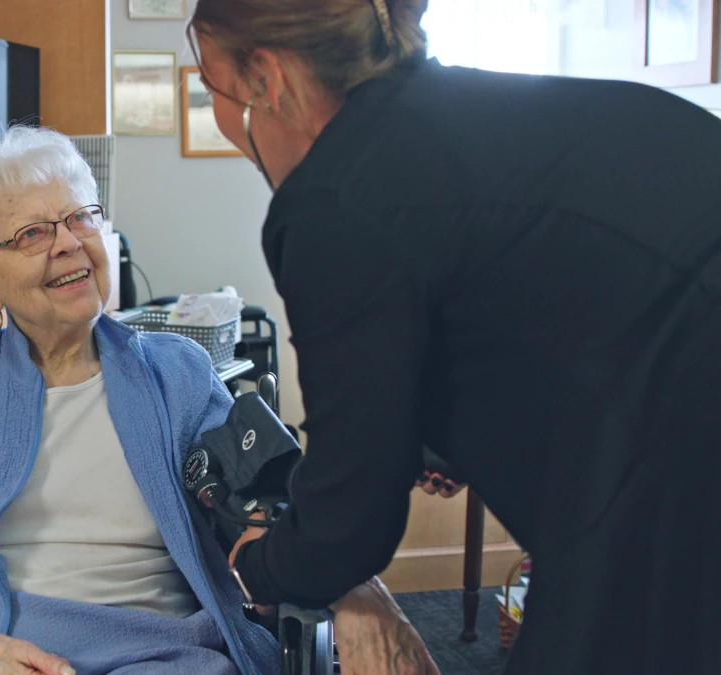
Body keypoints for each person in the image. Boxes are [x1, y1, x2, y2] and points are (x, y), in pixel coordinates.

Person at [189, 1, 721, 674]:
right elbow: (550, 314)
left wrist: (260, 566)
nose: (214, 107)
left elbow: (351, 520)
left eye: (211, 85)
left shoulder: (336, 200)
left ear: (265, 78)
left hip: (680, 457)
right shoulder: (453, 113)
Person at [0, 126, 421, 674]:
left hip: (154, 651)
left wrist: (345, 585)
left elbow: (259, 505)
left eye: (79, 218)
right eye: (33, 234)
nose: (69, 244)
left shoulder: (176, 372)